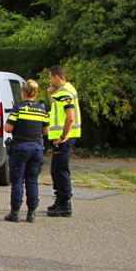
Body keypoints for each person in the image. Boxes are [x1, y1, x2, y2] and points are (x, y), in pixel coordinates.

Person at [3, 79, 49, 222]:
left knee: (17, 181)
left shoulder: (19, 108)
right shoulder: (42, 110)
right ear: (35, 93)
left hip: (20, 148)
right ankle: (31, 213)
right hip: (36, 148)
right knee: (32, 180)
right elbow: (46, 131)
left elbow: (7, 128)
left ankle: (15, 213)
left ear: (23, 93)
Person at [47, 64, 82, 217]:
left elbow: (70, 117)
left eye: (50, 78)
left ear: (56, 76)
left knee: (60, 170)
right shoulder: (66, 90)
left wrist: (62, 136)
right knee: (56, 169)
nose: (49, 81)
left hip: (64, 138)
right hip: (64, 137)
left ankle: (65, 204)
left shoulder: (64, 92)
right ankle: (60, 200)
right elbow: (57, 111)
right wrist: (51, 94)